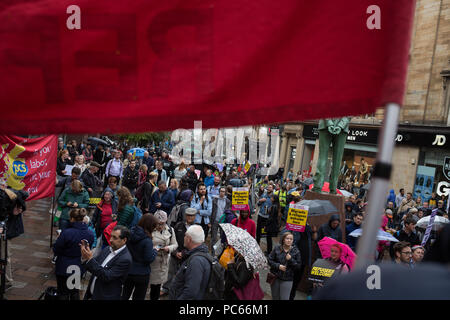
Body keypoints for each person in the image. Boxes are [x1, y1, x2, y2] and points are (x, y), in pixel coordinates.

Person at [81, 225, 133, 300]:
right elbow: (93, 265)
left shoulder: (125, 259)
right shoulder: (108, 249)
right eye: (111, 236)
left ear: (124, 240)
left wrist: (90, 259)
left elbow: (107, 276)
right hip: (92, 294)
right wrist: (85, 257)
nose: (111, 240)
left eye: (115, 238)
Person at [53, 208, 94, 300]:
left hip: (64, 265)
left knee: (63, 291)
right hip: (78, 266)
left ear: (72, 218)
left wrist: (59, 239)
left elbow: (56, 249)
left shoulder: (67, 232)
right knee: (74, 291)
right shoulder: (90, 233)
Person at [161, 207, 197, 296]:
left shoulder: (197, 228)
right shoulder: (178, 225)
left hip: (189, 256)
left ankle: (182, 291)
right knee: (170, 272)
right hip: (175, 253)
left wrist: (184, 253)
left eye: (192, 216)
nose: (190, 217)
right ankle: (166, 289)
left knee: (186, 274)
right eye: (188, 215)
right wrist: (175, 252)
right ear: (185, 215)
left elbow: (197, 244)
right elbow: (172, 240)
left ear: (195, 217)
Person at [169, 225, 211, 300]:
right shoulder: (200, 254)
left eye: (185, 236)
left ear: (189, 239)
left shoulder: (196, 261)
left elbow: (191, 291)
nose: (184, 238)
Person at [122, 214, 158, 300]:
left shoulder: (130, 233)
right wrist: (155, 251)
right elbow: (148, 258)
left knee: (124, 295)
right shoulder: (147, 240)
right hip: (142, 274)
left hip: (128, 271)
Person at [149, 210, 178, 300]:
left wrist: (169, 248)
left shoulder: (170, 229)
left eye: (162, 223)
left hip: (164, 260)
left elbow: (175, 244)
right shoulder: (149, 230)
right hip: (152, 261)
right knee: (150, 285)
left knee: (158, 285)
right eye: (158, 223)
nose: (160, 226)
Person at [268, 232, 301, 300]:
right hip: (275, 277)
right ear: (283, 239)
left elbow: (298, 266)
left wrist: (291, 259)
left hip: (287, 279)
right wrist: (278, 266)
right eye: (287, 238)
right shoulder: (277, 248)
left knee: (284, 298)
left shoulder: (295, 251)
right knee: (275, 297)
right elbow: (269, 260)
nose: (289, 240)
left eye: (291, 239)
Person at [210, 186, 231, 251]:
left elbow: (228, 211)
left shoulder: (227, 201)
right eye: (221, 191)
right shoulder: (215, 200)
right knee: (214, 237)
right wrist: (210, 221)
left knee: (222, 237)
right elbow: (212, 210)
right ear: (219, 192)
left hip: (223, 221)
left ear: (225, 192)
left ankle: (220, 251)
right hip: (215, 220)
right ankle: (213, 251)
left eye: (223, 191)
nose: (222, 193)